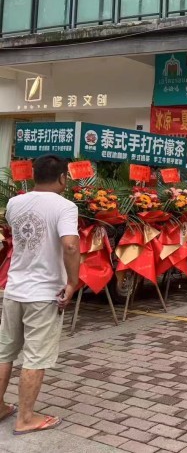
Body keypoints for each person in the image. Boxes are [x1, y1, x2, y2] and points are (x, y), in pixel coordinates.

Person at [0, 155, 79, 435]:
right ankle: (25, 418)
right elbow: (70, 246)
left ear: (34, 175)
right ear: (62, 177)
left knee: (4, 352)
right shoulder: (65, 207)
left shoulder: (14, 203)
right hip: (44, 293)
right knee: (35, 357)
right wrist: (72, 282)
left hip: (14, 289)